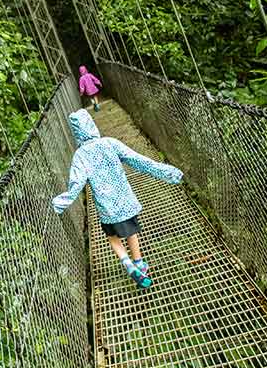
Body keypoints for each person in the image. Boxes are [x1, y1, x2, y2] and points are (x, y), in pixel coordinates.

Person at [51, 109, 183, 288]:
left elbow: (76, 184)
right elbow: (137, 160)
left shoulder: (80, 156)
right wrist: (166, 172)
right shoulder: (110, 143)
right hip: (125, 202)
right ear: (92, 125)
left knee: (113, 238)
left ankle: (128, 265)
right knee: (132, 232)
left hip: (107, 209)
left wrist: (60, 203)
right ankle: (139, 264)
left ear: (76, 132)